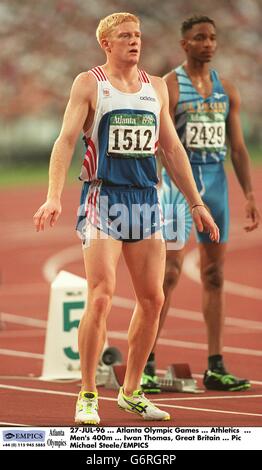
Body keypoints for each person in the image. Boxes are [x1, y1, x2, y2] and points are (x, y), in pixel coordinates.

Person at [33, 12, 219, 425]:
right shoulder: (89, 83)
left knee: (153, 299)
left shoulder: (155, 88)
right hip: (104, 198)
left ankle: (131, 391)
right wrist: (53, 196)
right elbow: (65, 141)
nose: (135, 41)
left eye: (137, 35)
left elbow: (171, 150)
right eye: (125, 36)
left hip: (145, 201)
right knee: (101, 294)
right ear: (107, 44)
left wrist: (195, 202)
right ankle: (86, 394)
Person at [142, 15, 260, 394]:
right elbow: (159, 142)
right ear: (184, 44)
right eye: (199, 38)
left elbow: (238, 148)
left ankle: (215, 366)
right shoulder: (169, 86)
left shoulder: (227, 89)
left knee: (214, 275)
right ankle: (145, 363)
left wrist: (250, 194)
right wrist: (161, 179)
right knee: (169, 275)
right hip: (179, 191)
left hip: (216, 186)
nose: (208, 43)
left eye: (212, 37)